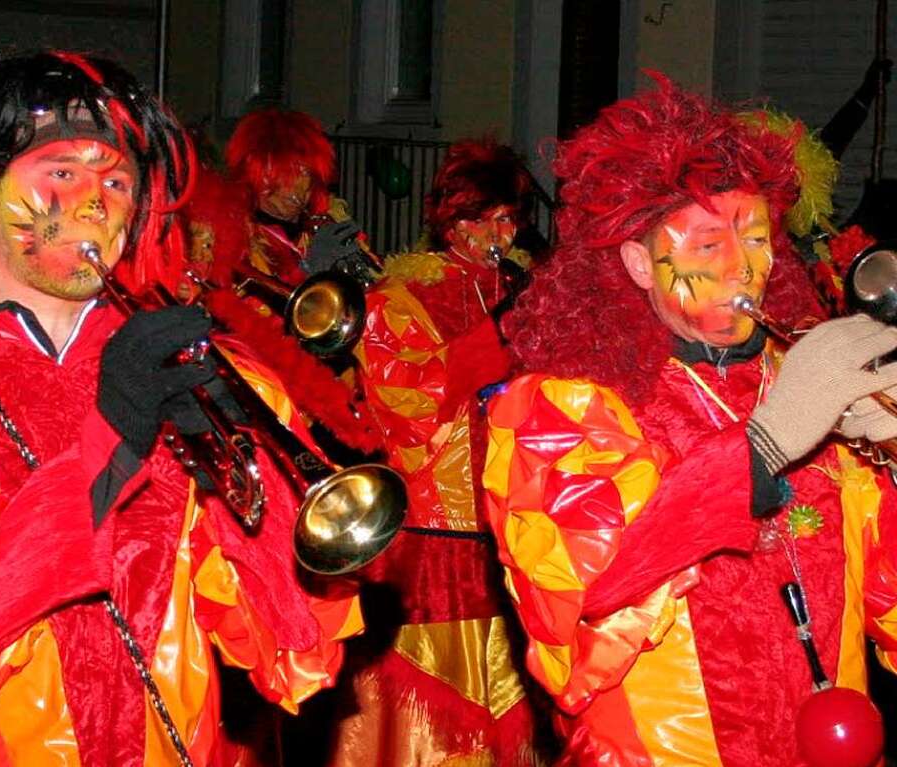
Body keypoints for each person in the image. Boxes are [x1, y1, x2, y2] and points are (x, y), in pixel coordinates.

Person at [0, 51, 361, 766]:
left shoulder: (192, 367)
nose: (95, 203)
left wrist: (245, 482)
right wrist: (114, 439)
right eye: (63, 173)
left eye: (117, 180)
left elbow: (295, 651)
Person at [486, 73, 897, 766]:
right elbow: (583, 604)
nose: (748, 269)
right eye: (709, 245)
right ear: (638, 264)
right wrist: (764, 444)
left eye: (760, 237)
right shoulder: (560, 405)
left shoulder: (799, 377)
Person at [316, 139, 552, 765]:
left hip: (512, 524)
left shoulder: (528, 286)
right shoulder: (402, 296)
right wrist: (499, 333)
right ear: (454, 223)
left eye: (511, 218)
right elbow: (407, 403)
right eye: (488, 219)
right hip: (436, 533)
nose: (503, 233)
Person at [224, 108, 375, 288]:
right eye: (288, 171)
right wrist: (310, 269)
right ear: (259, 176)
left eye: (305, 171)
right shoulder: (235, 239)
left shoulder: (322, 225)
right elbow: (250, 310)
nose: (298, 184)